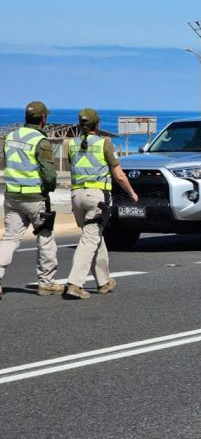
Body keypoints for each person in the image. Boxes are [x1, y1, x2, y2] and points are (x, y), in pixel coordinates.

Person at [63, 108, 139, 299]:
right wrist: (132, 193)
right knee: (90, 240)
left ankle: (103, 281)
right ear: (97, 124)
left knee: (95, 236)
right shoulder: (104, 144)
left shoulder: (71, 144)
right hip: (95, 198)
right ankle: (74, 283)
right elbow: (119, 175)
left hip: (76, 196)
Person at [0, 101, 60, 298]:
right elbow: (49, 173)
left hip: (11, 195)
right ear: (43, 118)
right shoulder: (40, 140)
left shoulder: (11, 136)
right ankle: (46, 283)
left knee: (10, 238)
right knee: (45, 237)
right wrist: (49, 188)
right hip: (34, 197)